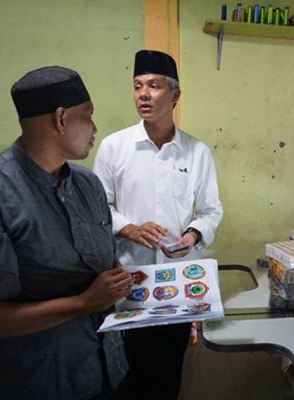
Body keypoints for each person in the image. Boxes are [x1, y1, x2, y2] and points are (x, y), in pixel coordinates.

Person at [0, 66, 132, 400]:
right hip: (35, 381)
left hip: (102, 368)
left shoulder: (87, 185)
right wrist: (82, 303)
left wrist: (124, 282)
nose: (94, 128)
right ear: (61, 119)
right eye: (88, 115)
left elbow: (100, 269)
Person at [93, 50, 223, 399]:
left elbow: (211, 210)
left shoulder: (196, 152)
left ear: (175, 95)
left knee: (169, 370)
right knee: (131, 371)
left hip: (178, 281)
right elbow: (96, 208)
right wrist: (128, 228)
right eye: (137, 86)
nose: (144, 95)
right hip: (129, 280)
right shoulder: (113, 148)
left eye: (154, 85)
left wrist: (193, 234)